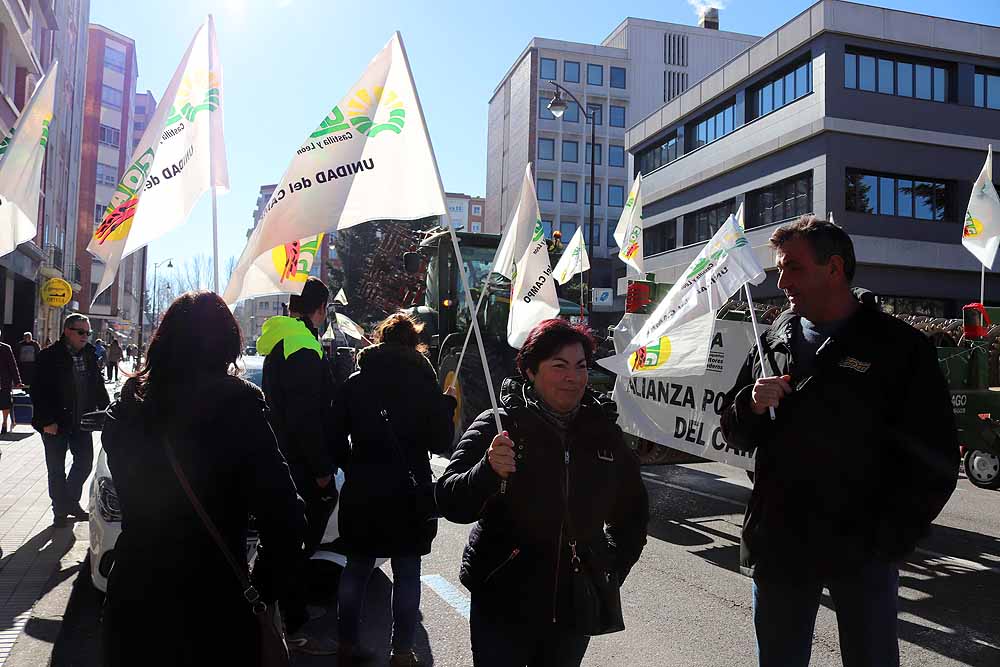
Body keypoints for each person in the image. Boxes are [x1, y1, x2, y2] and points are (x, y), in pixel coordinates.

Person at [720, 216, 958, 667]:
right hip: (781, 544)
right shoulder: (772, 337)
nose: (782, 281)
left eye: (793, 268)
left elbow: (936, 459)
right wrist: (749, 405)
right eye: (778, 270)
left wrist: (888, 540)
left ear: (834, 269)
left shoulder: (899, 347)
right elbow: (732, 430)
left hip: (862, 552)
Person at [100, 291, 307, 667]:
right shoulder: (240, 405)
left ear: (163, 340)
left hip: (135, 600)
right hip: (215, 602)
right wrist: (261, 588)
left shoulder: (126, 408)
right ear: (229, 343)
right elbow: (287, 518)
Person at [436, 319, 649, 667]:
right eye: (559, 366)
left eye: (580, 367)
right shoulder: (499, 424)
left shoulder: (605, 434)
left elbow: (633, 516)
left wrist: (607, 570)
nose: (573, 377)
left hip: (573, 606)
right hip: (502, 600)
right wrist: (486, 471)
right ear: (531, 372)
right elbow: (448, 499)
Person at [332, 313, 457, 667]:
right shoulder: (424, 383)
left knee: (356, 567)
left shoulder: (356, 382)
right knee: (406, 570)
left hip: (363, 488)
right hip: (409, 490)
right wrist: (446, 407)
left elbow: (333, 434)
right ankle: (401, 651)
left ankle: (345, 643)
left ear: (380, 339)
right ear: (412, 342)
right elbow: (440, 440)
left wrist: (351, 464)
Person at [256, 276, 339, 655]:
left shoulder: (280, 338)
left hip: (282, 457)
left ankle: (275, 612)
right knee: (293, 544)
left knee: (282, 543)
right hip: (301, 465)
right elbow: (307, 416)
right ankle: (287, 622)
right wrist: (323, 469)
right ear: (319, 310)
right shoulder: (304, 344)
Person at [30, 314, 110, 526]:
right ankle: (60, 511)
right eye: (81, 332)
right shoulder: (49, 356)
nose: (85, 336)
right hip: (55, 423)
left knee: (84, 463)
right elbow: (38, 391)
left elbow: (98, 386)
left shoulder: (90, 355)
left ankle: (70, 502)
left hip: (82, 421)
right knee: (56, 469)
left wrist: (109, 410)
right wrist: (47, 420)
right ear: (67, 331)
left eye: (88, 333)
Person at [0, 340, 21, 433]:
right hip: (4, 380)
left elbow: (13, 365)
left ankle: (4, 422)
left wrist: (17, 381)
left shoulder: (5, 348)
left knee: (5, 403)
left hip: (4, 381)